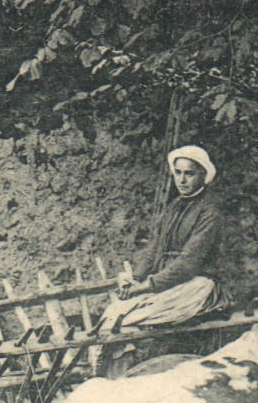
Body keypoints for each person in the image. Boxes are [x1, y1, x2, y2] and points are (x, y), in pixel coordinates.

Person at [95, 144, 230, 336]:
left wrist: (146, 286)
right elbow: (154, 249)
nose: (181, 180)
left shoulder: (210, 212)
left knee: (128, 321)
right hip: (166, 283)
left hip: (196, 286)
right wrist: (135, 278)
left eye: (189, 174)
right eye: (177, 173)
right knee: (113, 314)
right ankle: (115, 364)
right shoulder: (174, 206)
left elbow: (188, 263)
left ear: (203, 175)